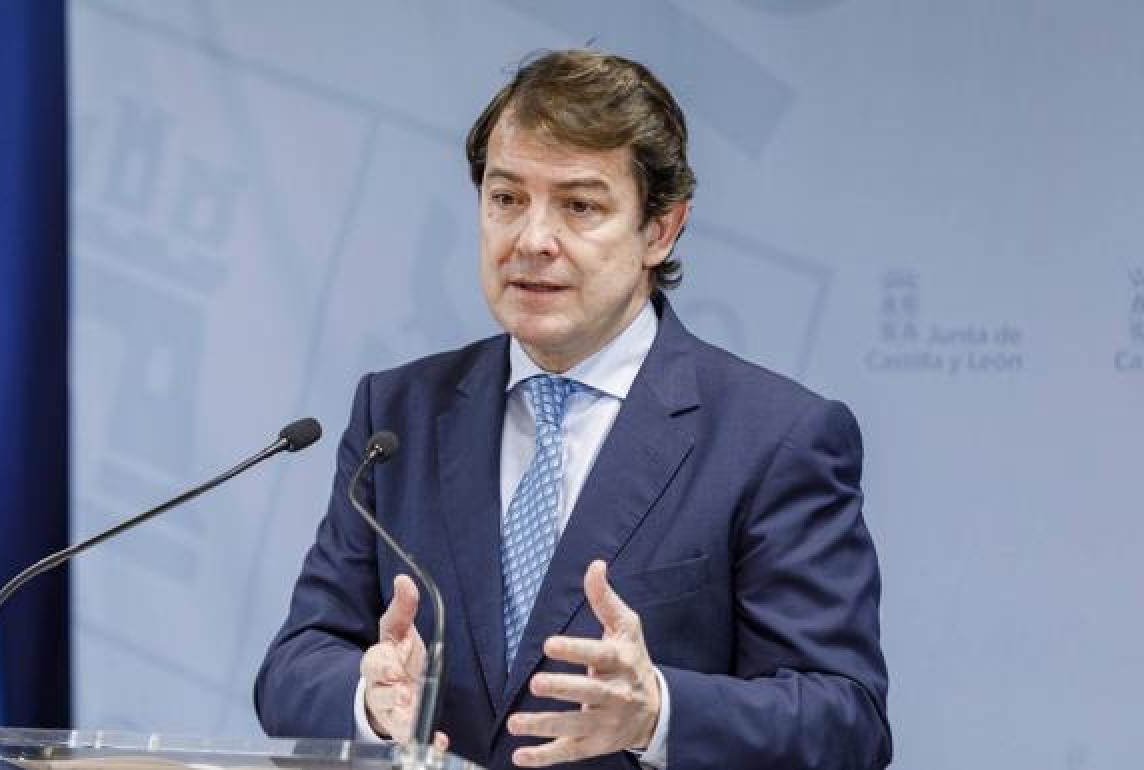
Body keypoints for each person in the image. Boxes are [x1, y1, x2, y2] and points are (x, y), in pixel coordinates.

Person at [255, 49, 891, 770]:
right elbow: (294, 666)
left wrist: (659, 712)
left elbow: (847, 720)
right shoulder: (397, 413)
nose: (531, 240)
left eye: (580, 206)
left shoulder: (774, 438)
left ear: (660, 229)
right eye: (506, 199)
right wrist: (369, 701)